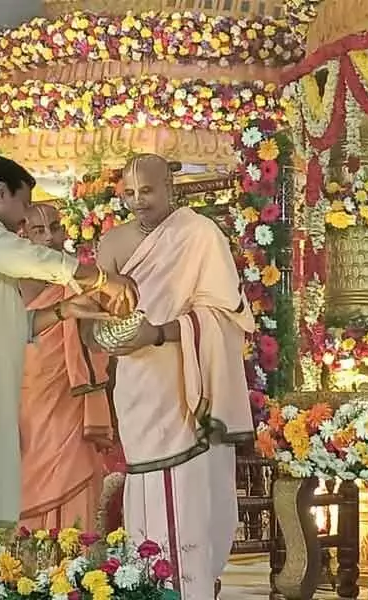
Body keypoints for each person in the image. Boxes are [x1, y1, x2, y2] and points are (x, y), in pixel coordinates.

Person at [0, 156, 136, 563]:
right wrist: (103, 278)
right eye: (23, 205)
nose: (23, 220)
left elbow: (13, 324)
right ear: (0, 192)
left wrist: (66, 311)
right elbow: (31, 259)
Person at [95, 154, 254, 600]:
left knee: (190, 493)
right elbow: (95, 316)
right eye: (128, 193)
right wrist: (108, 333)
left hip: (189, 380)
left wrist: (162, 333)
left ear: (169, 186)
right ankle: (145, 586)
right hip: (137, 382)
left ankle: (192, 588)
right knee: (145, 485)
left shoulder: (200, 235)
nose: (137, 201)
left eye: (146, 190)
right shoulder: (111, 243)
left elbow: (227, 316)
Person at [18, 203, 114, 531]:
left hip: (71, 401)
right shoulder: (7, 284)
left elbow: (99, 342)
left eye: (56, 228)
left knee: (75, 477)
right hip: (26, 403)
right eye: (38, 230)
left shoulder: (78, 282)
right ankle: (25, 578)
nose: (50, 238)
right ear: (21, 235)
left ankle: (74, 573)